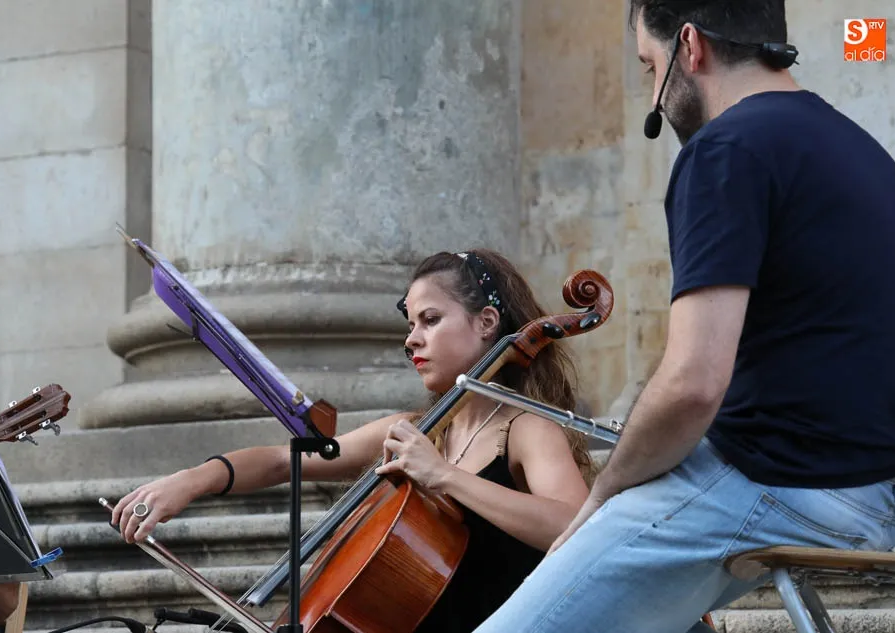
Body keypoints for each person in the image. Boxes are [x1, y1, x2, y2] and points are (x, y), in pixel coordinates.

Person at [471, 1, 895, 632]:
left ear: (690, 46)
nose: (655, 95)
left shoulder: (725, 148)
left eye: (651, 67)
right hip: (878, 499)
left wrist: (603, 494)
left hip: (778, 482)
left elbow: (692, 385)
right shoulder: (863, 151)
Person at [111, 249, 597, 632]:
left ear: (486, 323)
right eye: (410, 324)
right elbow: (283, 461)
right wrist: (192, 480)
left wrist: (444, 476)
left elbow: (577, 527)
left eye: (430, 320)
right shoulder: (414, 430)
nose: (411, 339)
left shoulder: (525, 428)